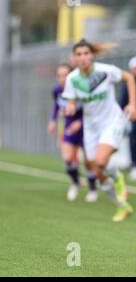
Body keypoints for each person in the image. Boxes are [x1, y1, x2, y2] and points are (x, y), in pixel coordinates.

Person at [63, 39, 136, 222]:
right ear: (74, 58)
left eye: (86, 53)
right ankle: (122, 206)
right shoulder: (72, 79)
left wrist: (133, 104)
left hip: (112, 121)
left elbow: (129, 77)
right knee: (95, 170)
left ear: (92, 55)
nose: (83, 57)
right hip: (91, 127)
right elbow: (71, 100)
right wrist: (71, 106)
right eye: (79, 54)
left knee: (100, 160)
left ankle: (118, 177)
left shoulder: (105, 71)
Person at [48, 63, 98, 202]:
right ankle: (76, 183)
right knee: (68, 159)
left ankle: (93, 189)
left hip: (86, 128)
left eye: (66, 75)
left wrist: (80, 122)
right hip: (69, 127)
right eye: (59, 75)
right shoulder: (57, 91)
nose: (62, 78)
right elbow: (56, 105)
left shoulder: (80, 90)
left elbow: (91, 109)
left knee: (88, 161)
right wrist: (52, 120)